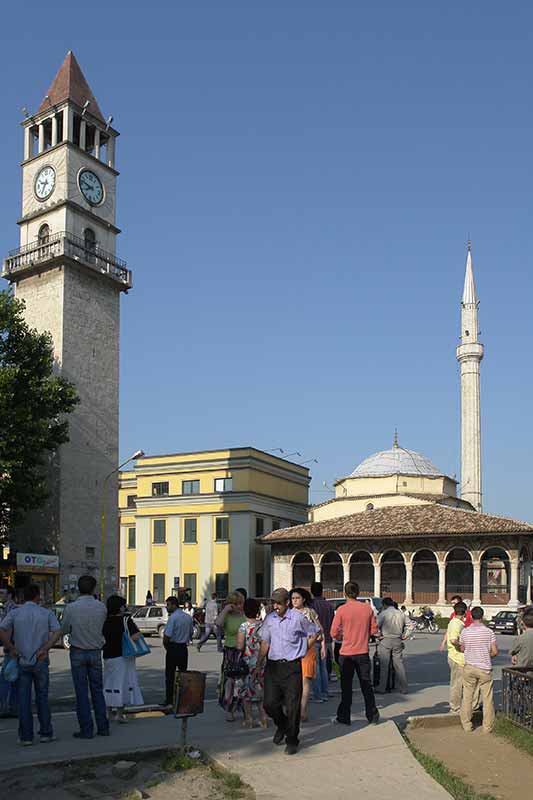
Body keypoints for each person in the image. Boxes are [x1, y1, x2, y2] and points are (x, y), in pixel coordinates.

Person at [258, 588, 319, 755]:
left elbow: (315, 632)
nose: (275, 606)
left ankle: (292, 739)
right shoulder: (269, 619)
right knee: (269, 704)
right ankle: (283, 725)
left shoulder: (298, 618)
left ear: (287, 603)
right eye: (273, 602)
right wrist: (258, 664)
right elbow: (265, 642)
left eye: (278, 603)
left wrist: (305, 647)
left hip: (292, 667)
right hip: (273, 667)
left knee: (293, 706)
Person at [0, 584, 61, 745]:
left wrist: (11, 648)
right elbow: (57, 631)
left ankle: (26, 736)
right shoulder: (46, 613)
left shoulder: (15, 613)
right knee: (42, 697)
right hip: (40, 658)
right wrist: (46, 648)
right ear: (37, 596)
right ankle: (46, 732)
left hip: (21, 659)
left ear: (22, 597)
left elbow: (1, 629)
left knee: (24, 699)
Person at [61, 574, 109, 739]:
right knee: (97, 690)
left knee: (81, 692)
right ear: (94, 589)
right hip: (95, 651)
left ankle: (86, 730)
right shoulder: (101, 607)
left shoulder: (71, 608)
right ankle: (103, 727)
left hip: (78, 651)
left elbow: (65, 629)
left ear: (78, 589)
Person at [330, 581, 379, 727]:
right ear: (358, 593)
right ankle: (372, 715)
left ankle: (344, 716)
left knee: (346, 687)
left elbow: (333, 632)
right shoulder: (367, 609)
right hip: (362, 652)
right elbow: (374, 630)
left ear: (344, 593)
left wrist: (342, 637)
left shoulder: (342, 610)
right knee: (366, 685)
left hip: (346, 653)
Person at [453, 606, 497, 734]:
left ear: (471, 617)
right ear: (482, 617)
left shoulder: (465, 632)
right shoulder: (489, 632)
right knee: (487, 698)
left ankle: (466, 724)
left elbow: (462, 649)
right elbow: (494, 652)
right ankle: (487, 727)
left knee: (467, 696)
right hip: (484, 668)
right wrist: (485, 654)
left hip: (469, 667)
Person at [102, 595, 144, 722]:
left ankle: (108, 712)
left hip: (108, 656)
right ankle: (120, 714)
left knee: (109, 683)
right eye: (123, 605)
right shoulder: (126, 620)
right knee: (124, 683)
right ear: (119, 607)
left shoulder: (105, 620)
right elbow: (136, 635)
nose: (124, 607)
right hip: (123, 655)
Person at [289, 588, 324, 722]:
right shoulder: (288, 614)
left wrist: (320, 643)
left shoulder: (310, 612)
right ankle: (293, 708)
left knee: (305, 679)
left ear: (303, 599)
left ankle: (302, 709)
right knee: (293, 681)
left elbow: (319, 629)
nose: (295, 601)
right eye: (293, 598)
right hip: (291, 649)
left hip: (308, 649)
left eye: (297, 598)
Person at [236, 598, 268, 729]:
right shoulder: (263, 626)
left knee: (246, 692)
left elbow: (239, 646)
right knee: (261, 691)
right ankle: (263, 718)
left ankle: (249, 719)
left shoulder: (243, 627)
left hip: (247, 662)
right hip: (261, 661)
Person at [216, 591, 246, 721]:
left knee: (243, 681)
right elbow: (218, 623)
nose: (240, 606)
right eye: (237, 604)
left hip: (244, 650)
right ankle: (229, 709)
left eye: (241, 603)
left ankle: (243, 707)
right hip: (230, 651)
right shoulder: (227, 616)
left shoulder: (244, 615)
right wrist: (226, 610)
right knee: (229, 681)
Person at [163, 595, 194, 708]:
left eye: (168, 605)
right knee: (182, 675)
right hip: (183, 648)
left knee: (170, 676)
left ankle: (170, 700)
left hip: (173, 647)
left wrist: (167, 647)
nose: (167, 607)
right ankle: (182, 699)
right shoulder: (187, 617)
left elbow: (167, 636)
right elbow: (191, 633)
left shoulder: (173, 618)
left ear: (174, 605)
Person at [376, 597, 408, 694]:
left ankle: (382, 687)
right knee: (399, 664)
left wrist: (378, 635)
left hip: (386, 639)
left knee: (384, 665)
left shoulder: (383, 614)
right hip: (397, 639)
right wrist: (405, 635)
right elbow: (411, 624)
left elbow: (375, 625)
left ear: (384, 604)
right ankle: (404, 688)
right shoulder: (401, 614)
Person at [310, 582, 334, 702]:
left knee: (316, 667)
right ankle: (325, 691)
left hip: (315, 639)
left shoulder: (311, 605)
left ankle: (318, 693)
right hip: (328, 638)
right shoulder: (328, 605)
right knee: (324, 667)